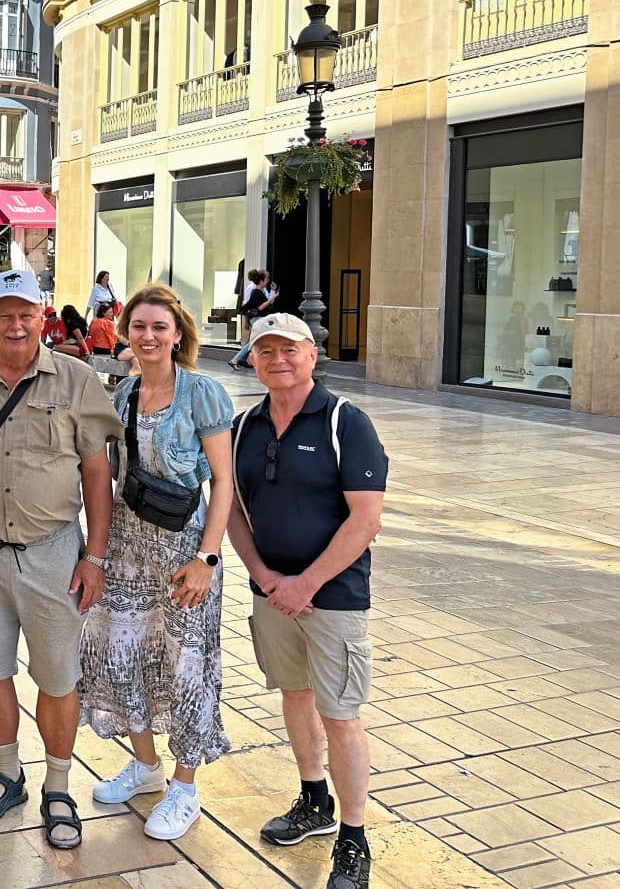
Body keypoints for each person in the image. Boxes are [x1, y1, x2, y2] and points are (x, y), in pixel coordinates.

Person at [0, 269, 121, 851]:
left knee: (59, 676)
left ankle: (58, 784)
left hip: (53, 551)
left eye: (26, 313)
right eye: (4, 313)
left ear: (43, 316)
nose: (15, 324)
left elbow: (96, 470)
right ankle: (8, 772)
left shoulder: (77, 379)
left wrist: (95, 555)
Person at [227, 313, 387, 889]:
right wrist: (264, 575)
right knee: (294, 696)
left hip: (333, 597)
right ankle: (313, 799)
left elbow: (365, 519)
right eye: (266, 351)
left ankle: (354, 836)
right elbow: (233, 511)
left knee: (340, 714)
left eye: (289, 349)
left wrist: (306, 583)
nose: (278, 360)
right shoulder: (245, 426)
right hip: (271, 594)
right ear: (254, 360)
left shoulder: (348, 422)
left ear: (312, 355)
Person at [80, 283, 234, 841]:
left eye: (159, 328)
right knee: (120, 649)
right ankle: (146, 766)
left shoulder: (202, 393)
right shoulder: (121, 393)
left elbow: (224, 483)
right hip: (126, 542)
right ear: (126, 332)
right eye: (138, 327)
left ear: (177, 334)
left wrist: (207, 559)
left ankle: (185, 785)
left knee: (186, 662)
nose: (148, 337)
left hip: (184, 547)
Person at [229, 270, 279, 370]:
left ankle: (239, 359)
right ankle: (236, 360)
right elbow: (260, 308)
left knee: (254, 341)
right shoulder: (255, 291)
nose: (268, 281)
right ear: (261, 281)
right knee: (253, 342)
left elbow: (266, 303)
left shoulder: (259, 291)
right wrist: (271, 298)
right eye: (266, 279)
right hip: (257, 320)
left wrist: (273, 292)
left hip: (259, 319)